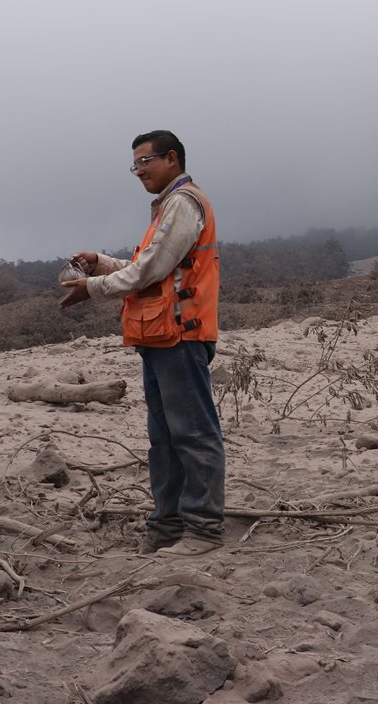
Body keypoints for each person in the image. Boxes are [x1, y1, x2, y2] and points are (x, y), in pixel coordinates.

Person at [61, 129, 224, 557]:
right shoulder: (168, 206)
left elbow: (151, 269)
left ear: (171, 158)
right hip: (160, 335)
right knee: (164, 438)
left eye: (144, 162)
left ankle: (203, 529)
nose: (138, 171)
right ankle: (167, 526)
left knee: (191, 434)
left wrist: (93, 287)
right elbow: (147, 265)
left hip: (181, 335)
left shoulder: (184, 203)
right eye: (134, 165)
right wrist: (101, 263)